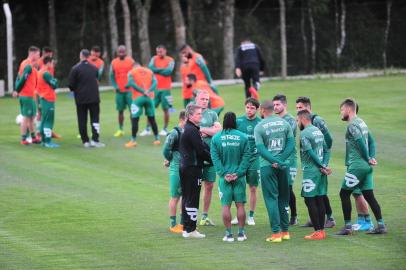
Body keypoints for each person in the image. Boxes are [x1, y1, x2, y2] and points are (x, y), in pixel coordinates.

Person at [336, 98, 387, 235]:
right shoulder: (362, 123)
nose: (340, 113)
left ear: (348, 109)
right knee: (369, 195)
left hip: (357, 165)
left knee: (344, 193)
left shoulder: (352, 125)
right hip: (366, 166)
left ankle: (347, 227)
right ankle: (381, 225)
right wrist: (372, 157)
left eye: (341, 110)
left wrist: (368, 158)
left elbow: (361, 143)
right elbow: (372, 142)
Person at [254, 100, 294, 243]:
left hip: (267, 166)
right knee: (284, 198)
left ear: (263, 110)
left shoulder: (259, 126)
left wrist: (273, 161)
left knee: (271, 199)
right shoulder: (285, 123)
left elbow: (261, 149)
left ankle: (276, 233)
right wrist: (281, 160)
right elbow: (291, 144)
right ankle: (285, 231)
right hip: (283, 166)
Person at [295, 96, 336, 228]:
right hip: (320, 171)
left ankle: (318, 230)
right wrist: (324, 165)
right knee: (319, 199)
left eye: (297, 120)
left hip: (311, 171)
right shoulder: (317, 131)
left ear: (302, 119)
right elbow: (326, 149)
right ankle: (321, 229)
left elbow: (311, 153)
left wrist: (322, 165)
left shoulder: (305, 133)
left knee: (310, 199)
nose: (297, 123)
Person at [211, 112, 251, 242]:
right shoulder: (243, 137)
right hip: (239, 178)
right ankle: (241, 234)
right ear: (235, 122)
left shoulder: (216, 138)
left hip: (224, 179)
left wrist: (224, 174)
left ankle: (228, 235)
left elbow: (215, 159)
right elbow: (246, 157)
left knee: (225, 206)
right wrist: (238, 173)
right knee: (240, 206)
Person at [179, 103, 212, 238]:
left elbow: (202, 146)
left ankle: (186, 228)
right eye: (198, 114)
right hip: (192, 169)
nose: (201, 116)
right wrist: (214, 161)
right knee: (192, 198)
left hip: (186, 167)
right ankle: (191, 229)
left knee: (187, 197)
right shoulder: (192, 130)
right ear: (190, 115)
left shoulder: (190, 128)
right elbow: (200, 151)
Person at [231, 98, 261, 226]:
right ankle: (239, 215)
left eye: (252, 108)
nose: (249, 110)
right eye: (247, 107)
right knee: (239, 187)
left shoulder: (260, 123)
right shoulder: (238, 122)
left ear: (257, 109)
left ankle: (251, 216)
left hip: (254, 159)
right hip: (240, 160)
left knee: (253, 188)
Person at [194, 90, 222, 226]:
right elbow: (189, 130)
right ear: (196, 99)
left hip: (211, 156)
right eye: (202, 99)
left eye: (207, 99)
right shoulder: (191, 112)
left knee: (209, 185)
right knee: (193, 187)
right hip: (195, 157)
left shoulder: (212, 114)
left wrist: (203, 130)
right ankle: (189, 215)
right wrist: (208, 129)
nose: (205, 101)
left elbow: (218, 130)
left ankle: (204, 217)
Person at [68, 49, 105, 148]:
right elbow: (97, 79)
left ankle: (85, 141)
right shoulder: (94, 68)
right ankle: (95, 140)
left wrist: (77, 89)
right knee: (95, 119)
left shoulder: (75, 69)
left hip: (81, 99)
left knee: (82, 119)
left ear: (81, 56)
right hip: (94, 98)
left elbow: (70, 85)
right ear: (88, 57)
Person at [273, 94, 299, 225]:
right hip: (277, 158)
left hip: (290, 160)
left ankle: (293, 215)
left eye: (278, 104)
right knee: (279, 188)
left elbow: (285, 138)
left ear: (285, 105)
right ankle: (283, 214)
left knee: (287, 187)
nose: (275, 107)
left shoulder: (291, 120)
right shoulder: (275, 120)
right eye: (274, 105)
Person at [140, 45, 175, 137]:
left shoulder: (170, 60)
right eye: (158, 52)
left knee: (165, 109)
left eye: (161, 51)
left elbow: (169, 71)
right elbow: (151, 68)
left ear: (165, 51)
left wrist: (157, 70)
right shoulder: (154, 59)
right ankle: (147, 129)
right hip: (155, 89)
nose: (159, 53)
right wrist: (162, 70)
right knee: (150, 109)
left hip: (166, 89)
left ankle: (165, 129)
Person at [124, 62, 160, 147]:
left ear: (134, 67)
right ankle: (157, 139)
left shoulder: (131, 72)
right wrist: (149, 91)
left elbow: (131, 83)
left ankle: (133, 141)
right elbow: (155, 83)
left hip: (137, 98)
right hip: (149, 98)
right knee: (152, 119)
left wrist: (143, 91)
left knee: (135, 119)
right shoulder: (149, 71)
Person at [163, 110, 187, 234]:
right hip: (176, 169)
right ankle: (173, 224)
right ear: (182, 120)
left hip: (187, 169)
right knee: (175, 197)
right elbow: (165, 150)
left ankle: (183, 223)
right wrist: (170, 159)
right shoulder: (174, 133)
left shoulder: (189, 131)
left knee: (185, 196)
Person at [13, 46, 41, 145]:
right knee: (26, 117)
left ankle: (33, 137)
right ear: (32, 54)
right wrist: (17, 90)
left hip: (28, 95)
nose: (39, 56)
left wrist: (17, 89)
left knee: (31, 117)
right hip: (27, 96)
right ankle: (23, 139)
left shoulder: (24, 63)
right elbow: (22, 79)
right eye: (38, 54)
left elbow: (18, 77)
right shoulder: (28, 66)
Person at [110, 45, 135, 137]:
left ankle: (134, 129)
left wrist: (130, 84)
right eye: (119, 52)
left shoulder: (131, 61)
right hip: (119, 91)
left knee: (132, 111)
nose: (121, 53)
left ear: (126, 52)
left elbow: (134, 74)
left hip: (129, 91)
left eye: (122, 52)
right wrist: (115, 85)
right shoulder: (114, 62)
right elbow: (111, 76)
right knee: (120, 111)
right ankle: (120, 129)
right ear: (117, 52)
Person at [36, 56, 59, 148]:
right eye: (52, 63)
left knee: (44, 120)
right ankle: (48, 141)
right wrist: (55, 81)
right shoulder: (46, 73)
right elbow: (54, 85)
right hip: (48, 98)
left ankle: (43, 140)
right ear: (48, 63)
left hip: (42, 98)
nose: (53, 65)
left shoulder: (39, 72)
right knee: (49, 120)